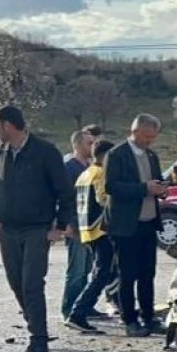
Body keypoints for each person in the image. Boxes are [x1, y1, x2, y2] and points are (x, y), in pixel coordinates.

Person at [0, 105, 77, 352]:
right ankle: (34, 325)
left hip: (37, 229)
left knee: (31, 283)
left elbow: (65, 191)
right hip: (8, 229)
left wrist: (60, 226)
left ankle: (39, 340)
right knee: (16, 282)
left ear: (8, 125)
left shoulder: (45, 152)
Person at [104, 114, 168, 338]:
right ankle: (129, 319)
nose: (150, 141)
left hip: (149, 223)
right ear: (136, 131)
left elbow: (156, 182)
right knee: (127, 274)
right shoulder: (117, 154)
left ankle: (149, 317)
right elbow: (111, 186)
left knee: (147, 273)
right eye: (147, 136)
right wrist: (143, 188)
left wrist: (161, 190)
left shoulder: (152, 155)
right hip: (126, 225)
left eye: (153, 137)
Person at [65, 139, 116, 334]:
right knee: (102, 273)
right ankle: (78, 313)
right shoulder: (101, 173)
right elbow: (103, 199)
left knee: (102, 272)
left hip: (87, 230)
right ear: (106, 156)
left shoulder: (84, 174)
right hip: (100, 229)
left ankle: (82, 310)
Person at [60, 128, 97, 322]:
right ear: (77, 145)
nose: (92, 147)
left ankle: (84, 306)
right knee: (76, 270)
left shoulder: (90, 167)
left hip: (91, 226)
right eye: (88, 143)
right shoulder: (69, 168)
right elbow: (64, 198)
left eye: (93, 143)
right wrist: (65, 223)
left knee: (88, 270)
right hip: (75, 227)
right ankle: (69, 310)